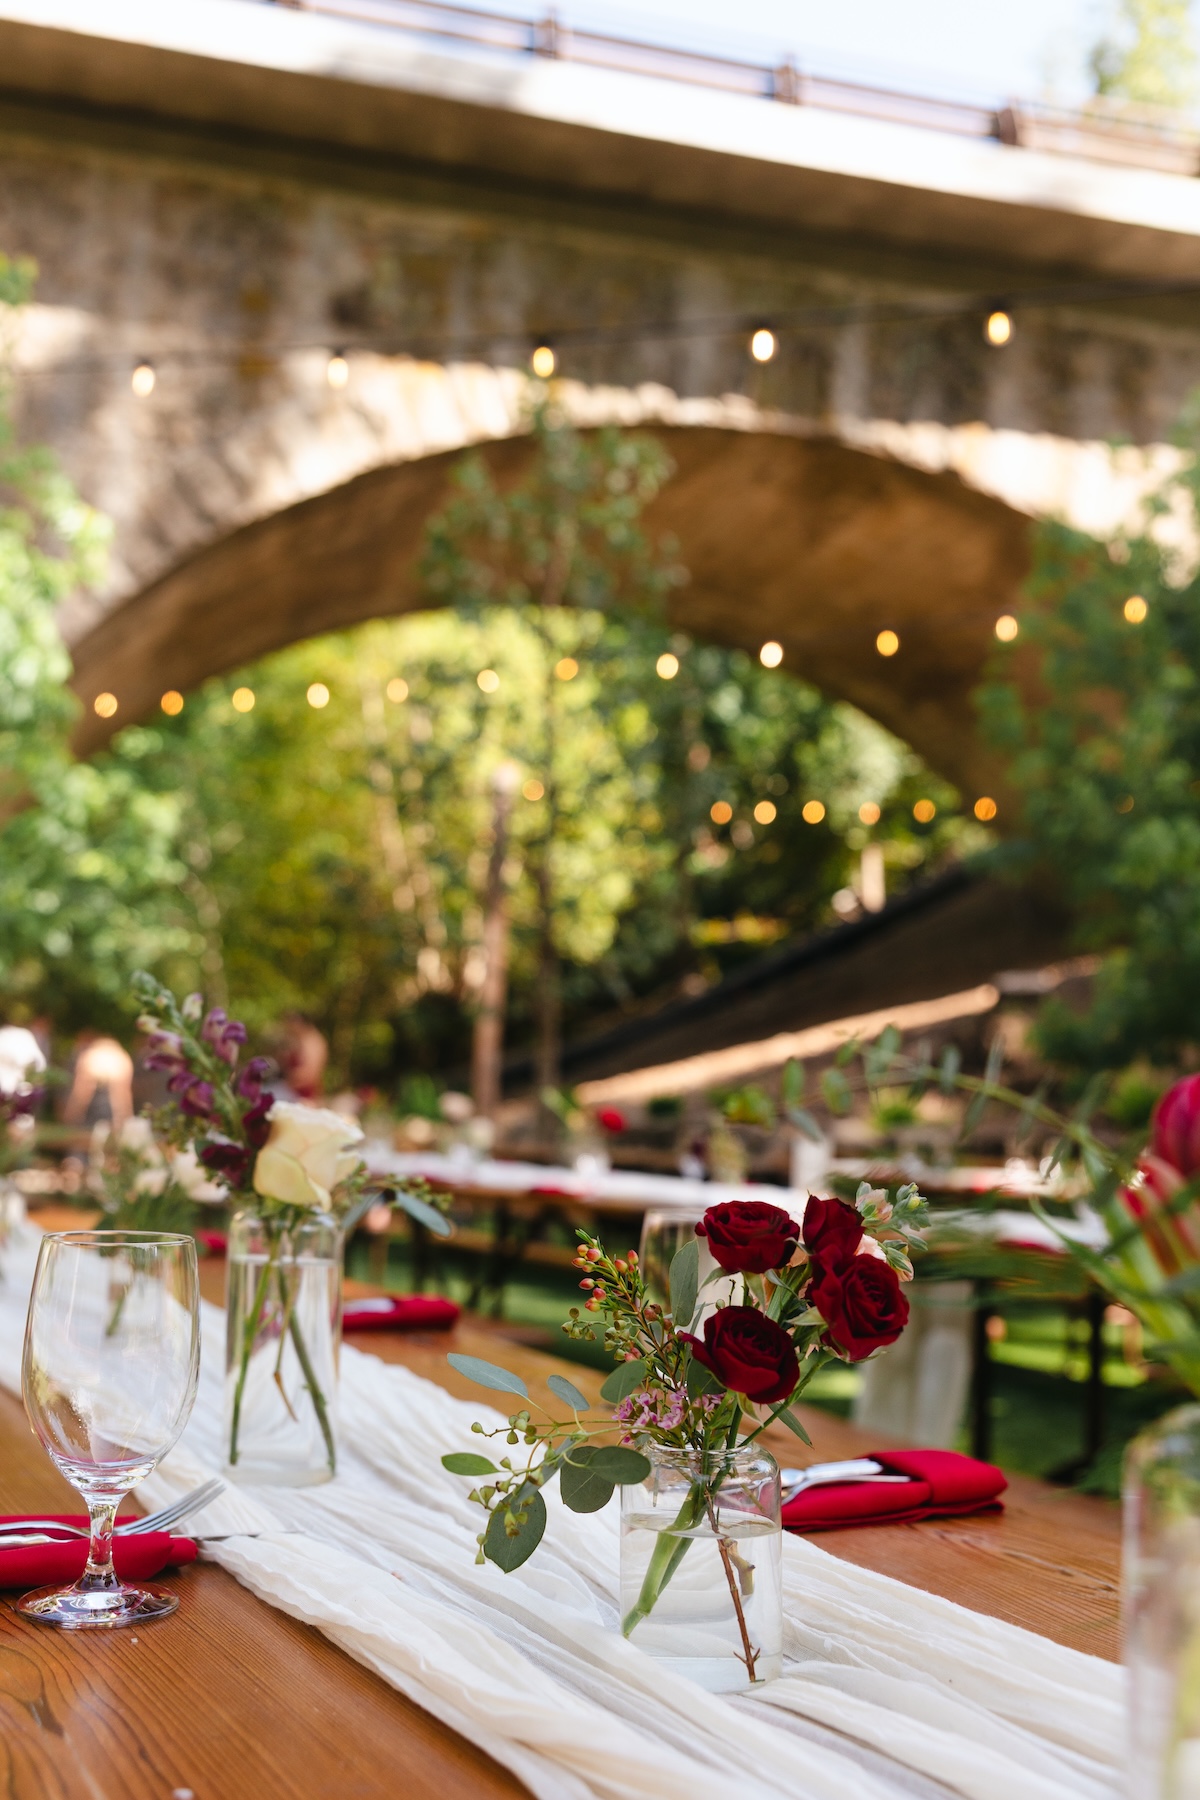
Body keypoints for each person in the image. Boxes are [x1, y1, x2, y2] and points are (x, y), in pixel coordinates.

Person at [62, 1034, 134, 1129]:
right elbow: (123, 1095)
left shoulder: (89, 1057)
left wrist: (72, 1115)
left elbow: (81, 1092)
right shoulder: (122, 1059)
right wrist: (125, 1117)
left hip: (90, 1115)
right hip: (109, 1115)